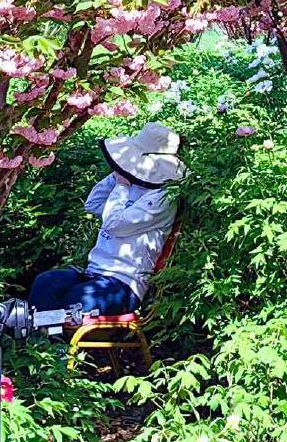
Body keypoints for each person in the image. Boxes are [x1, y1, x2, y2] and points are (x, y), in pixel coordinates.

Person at [28, 123, 185, 317]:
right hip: (94, 273)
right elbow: (92, 204)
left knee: (73, 302)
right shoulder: (132, 183)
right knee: (45, 283)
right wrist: (117, 173)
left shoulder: (163, 198)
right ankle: (36, 343)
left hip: (123, 283)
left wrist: (121, 186)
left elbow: (114, 224)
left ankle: (55, 344)